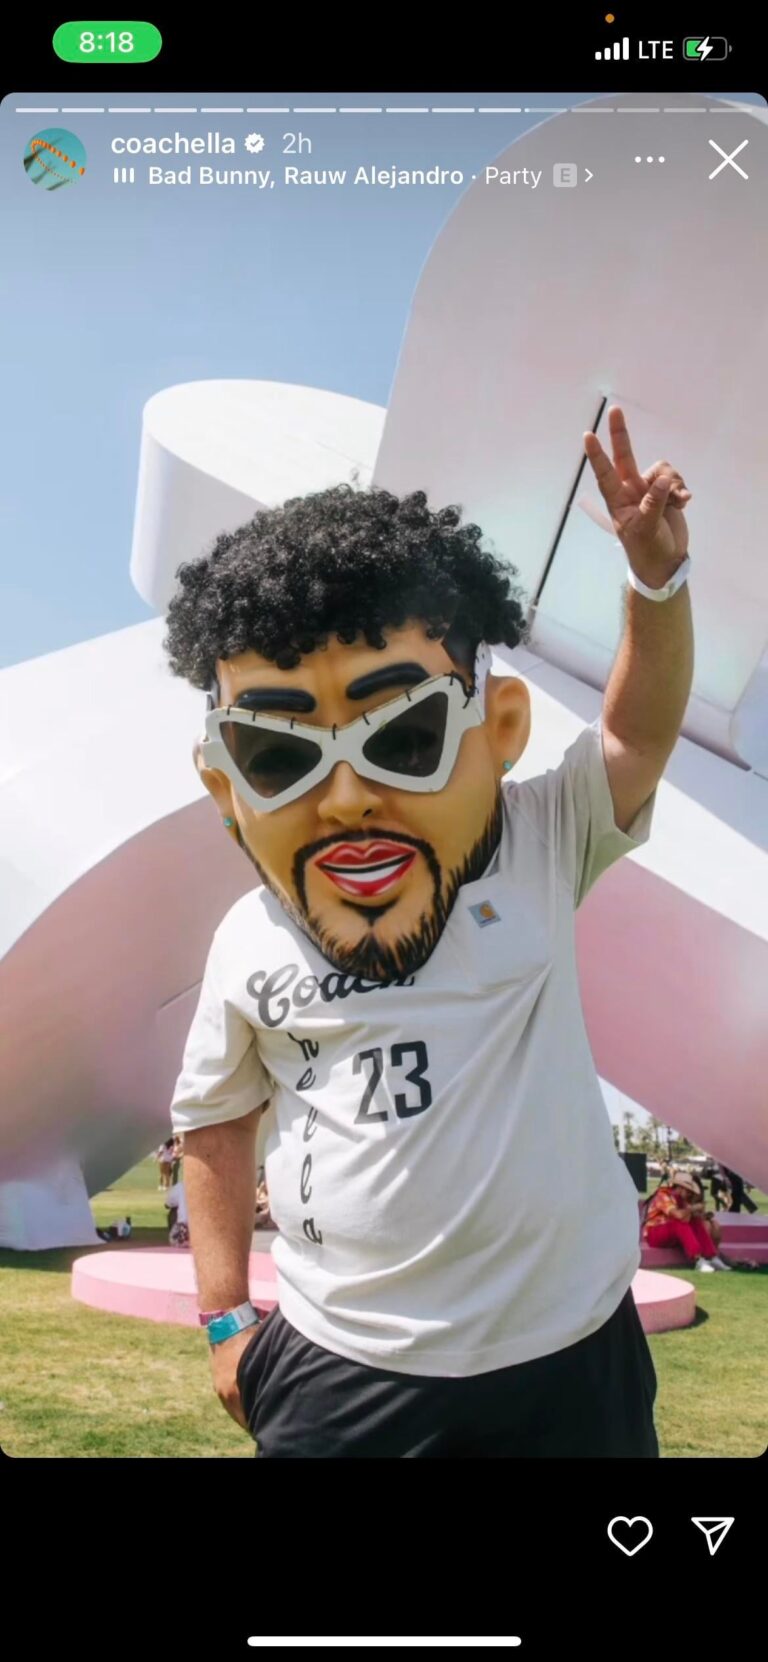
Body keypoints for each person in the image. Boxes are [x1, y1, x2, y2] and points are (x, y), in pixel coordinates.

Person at [168, 408, 695, 1458]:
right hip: (339, 1372)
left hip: (572, 1355)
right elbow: (215, 1127)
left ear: (495, 733)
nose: (351, 796)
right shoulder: (248, 937)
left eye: (404, 737)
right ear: (227, 787)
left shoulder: (541, 839)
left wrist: (656, 582)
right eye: (283, 756)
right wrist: (226, 1320)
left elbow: (636, 732)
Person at [643, 1170, 732, 1271]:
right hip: (654, 1234)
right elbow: (679, 1215)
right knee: (679, 1224)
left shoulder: (681, 1200)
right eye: (688, 1191)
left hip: (669, 1233)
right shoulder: (663, 1195)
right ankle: (698, 1259)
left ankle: (711, 1256)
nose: (690, 1194)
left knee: (695, 1221)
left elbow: (687, 1218)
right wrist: (693, 1208)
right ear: (680, 1188)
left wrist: (695, 1212)